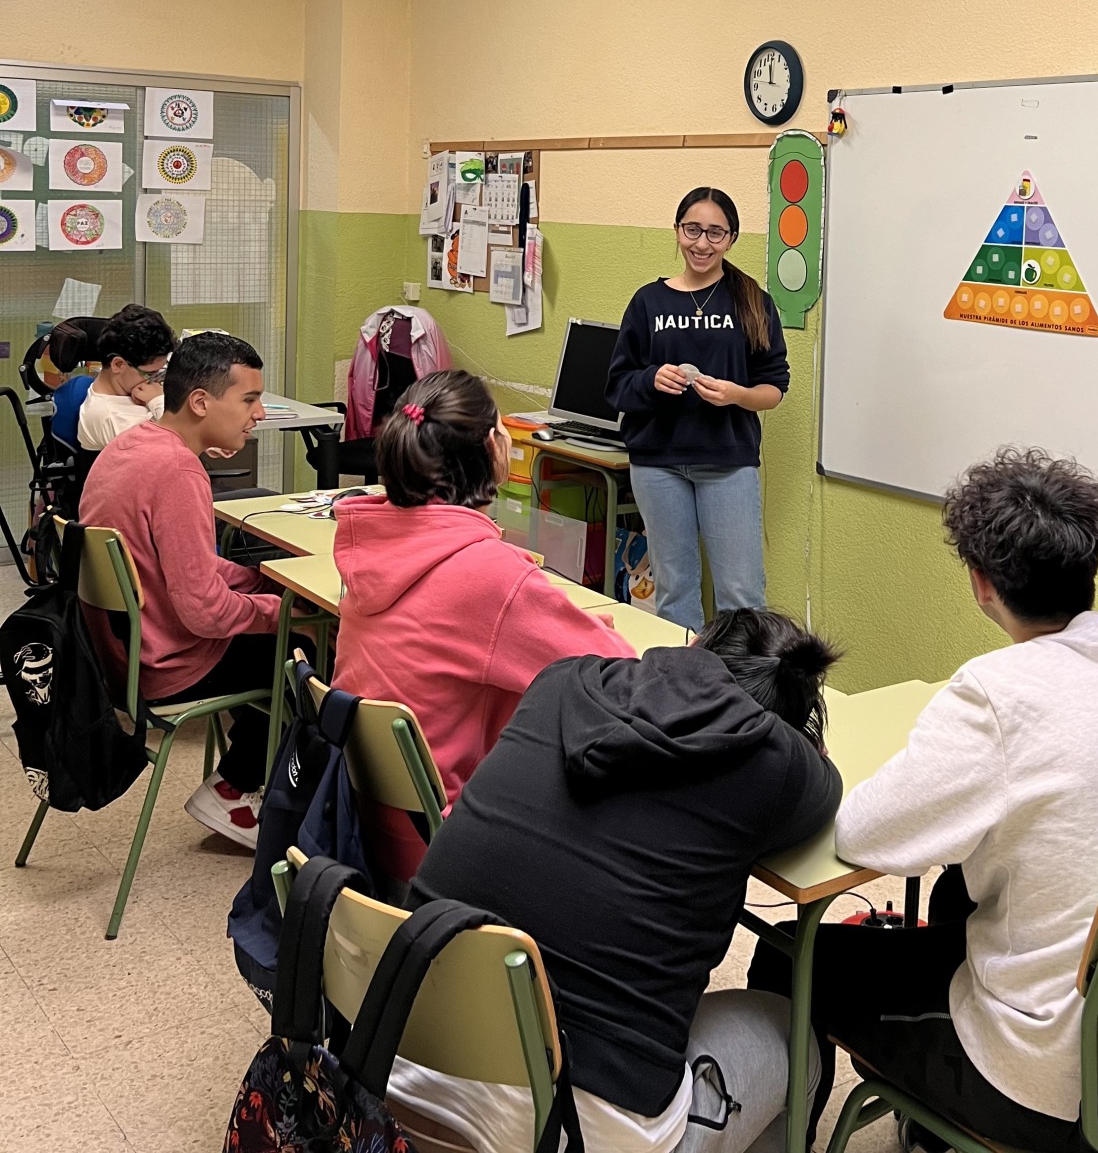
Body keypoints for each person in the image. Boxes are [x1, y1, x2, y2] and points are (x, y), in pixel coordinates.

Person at [752, 448, 1098, 1151]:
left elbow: (862, 835)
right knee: (959, 896)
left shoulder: (993, 695)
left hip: (1041, 1087)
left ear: (980, 583)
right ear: (1091, 562)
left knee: (790, 956)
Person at [385, 608, 842, 1153]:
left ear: (696, 648)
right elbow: (826, 787)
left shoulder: (563, 681)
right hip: (575, 1122)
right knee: (799, 1041)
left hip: (406, 1060)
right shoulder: (776, 760)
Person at [330, 369, 637, 884]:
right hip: (452, 849)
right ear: (495, 446)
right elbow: (625, 676)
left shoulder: (368, 541)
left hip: (366, 828)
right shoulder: (487, 574)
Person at [79, 331, 284, 848]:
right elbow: (204, 614)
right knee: (306, 651)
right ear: (200, 402)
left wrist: (256, 581)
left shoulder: (131, 446)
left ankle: (245, 772)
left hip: (119, 658)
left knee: (261, 608)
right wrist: (282, 610)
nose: (258, 414)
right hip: (166, 666)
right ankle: (235, 786)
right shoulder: (178, 470)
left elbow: (182, 566)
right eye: (249, 399)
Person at [606, 187, 789, 632]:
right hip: (657, 464)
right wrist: (650, 380)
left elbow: (775, 387)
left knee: (741, 598)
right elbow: (616, 386)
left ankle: (743, 695)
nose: (701, 243)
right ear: (677, 231)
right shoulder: (648, 302)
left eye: (715, 232)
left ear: (731, 238)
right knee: (675, 593)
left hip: (727, 462)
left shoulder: (751, 300)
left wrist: (736, 395)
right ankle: (683, 692)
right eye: (692, 230)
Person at [76, 303, 176, 451]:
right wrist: (158, 400)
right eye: (150, 374)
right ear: (118, 365)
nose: (155, 380)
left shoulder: (124, 386)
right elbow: (177, 448)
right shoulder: (111, 418)